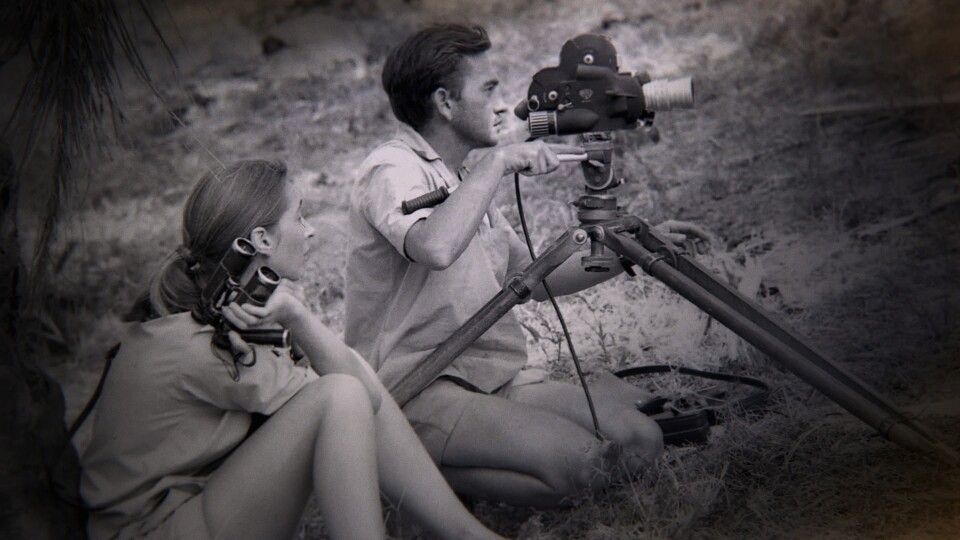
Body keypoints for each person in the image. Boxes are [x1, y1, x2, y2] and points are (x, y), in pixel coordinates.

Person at [344, 23, 711, 508]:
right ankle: (410, 470)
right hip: (416, 389)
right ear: (445, 103)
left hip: (492, 378)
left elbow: (538, 278)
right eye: (488, 90)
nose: (501, 105)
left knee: (641, 441)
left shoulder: (462, 176)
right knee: (584, 465)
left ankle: (470, 457)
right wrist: (497, 164)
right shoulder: (391, 169)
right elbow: (434, 247)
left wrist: (631, 248)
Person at [79, 160, 502, 540]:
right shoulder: (198, 338)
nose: (310, 229)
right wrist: (297, 317)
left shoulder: (218, 311)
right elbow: (351, 397)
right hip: (152, 530)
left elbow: (363, 391)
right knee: (338, 394)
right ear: (261, 239)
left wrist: (296, 317)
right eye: (299, 216)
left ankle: (467, 534)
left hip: (186, 510)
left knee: (343, 386)